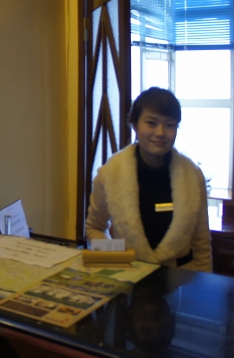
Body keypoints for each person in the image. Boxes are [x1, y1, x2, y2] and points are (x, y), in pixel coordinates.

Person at [85, 87, 211, 271]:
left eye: (170, 125)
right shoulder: (110, 173)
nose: (160, 132)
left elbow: (201, 241)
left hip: (181, 279)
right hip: (129, 275)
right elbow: (94, 227)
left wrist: (204, 283)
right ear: (135, 125)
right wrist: (117, 257)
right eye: (151, 123)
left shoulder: (192, 175)